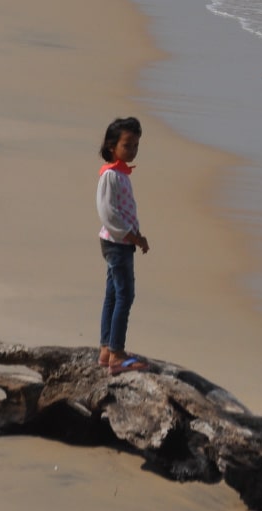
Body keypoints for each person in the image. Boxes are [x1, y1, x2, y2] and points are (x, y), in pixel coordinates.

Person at [96, 117, 150, 375]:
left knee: (113, 294)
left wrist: (136, 235)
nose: (132, 150)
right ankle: (116, 353)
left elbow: (122, 211)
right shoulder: (110, 175)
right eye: (127, 145)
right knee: (124, 295)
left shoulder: (120, 174)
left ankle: (106, 349)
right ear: (111, 146)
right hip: (116, 243)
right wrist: (133, 237)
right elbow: (108, 213)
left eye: (136, 145)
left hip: (121, 241)